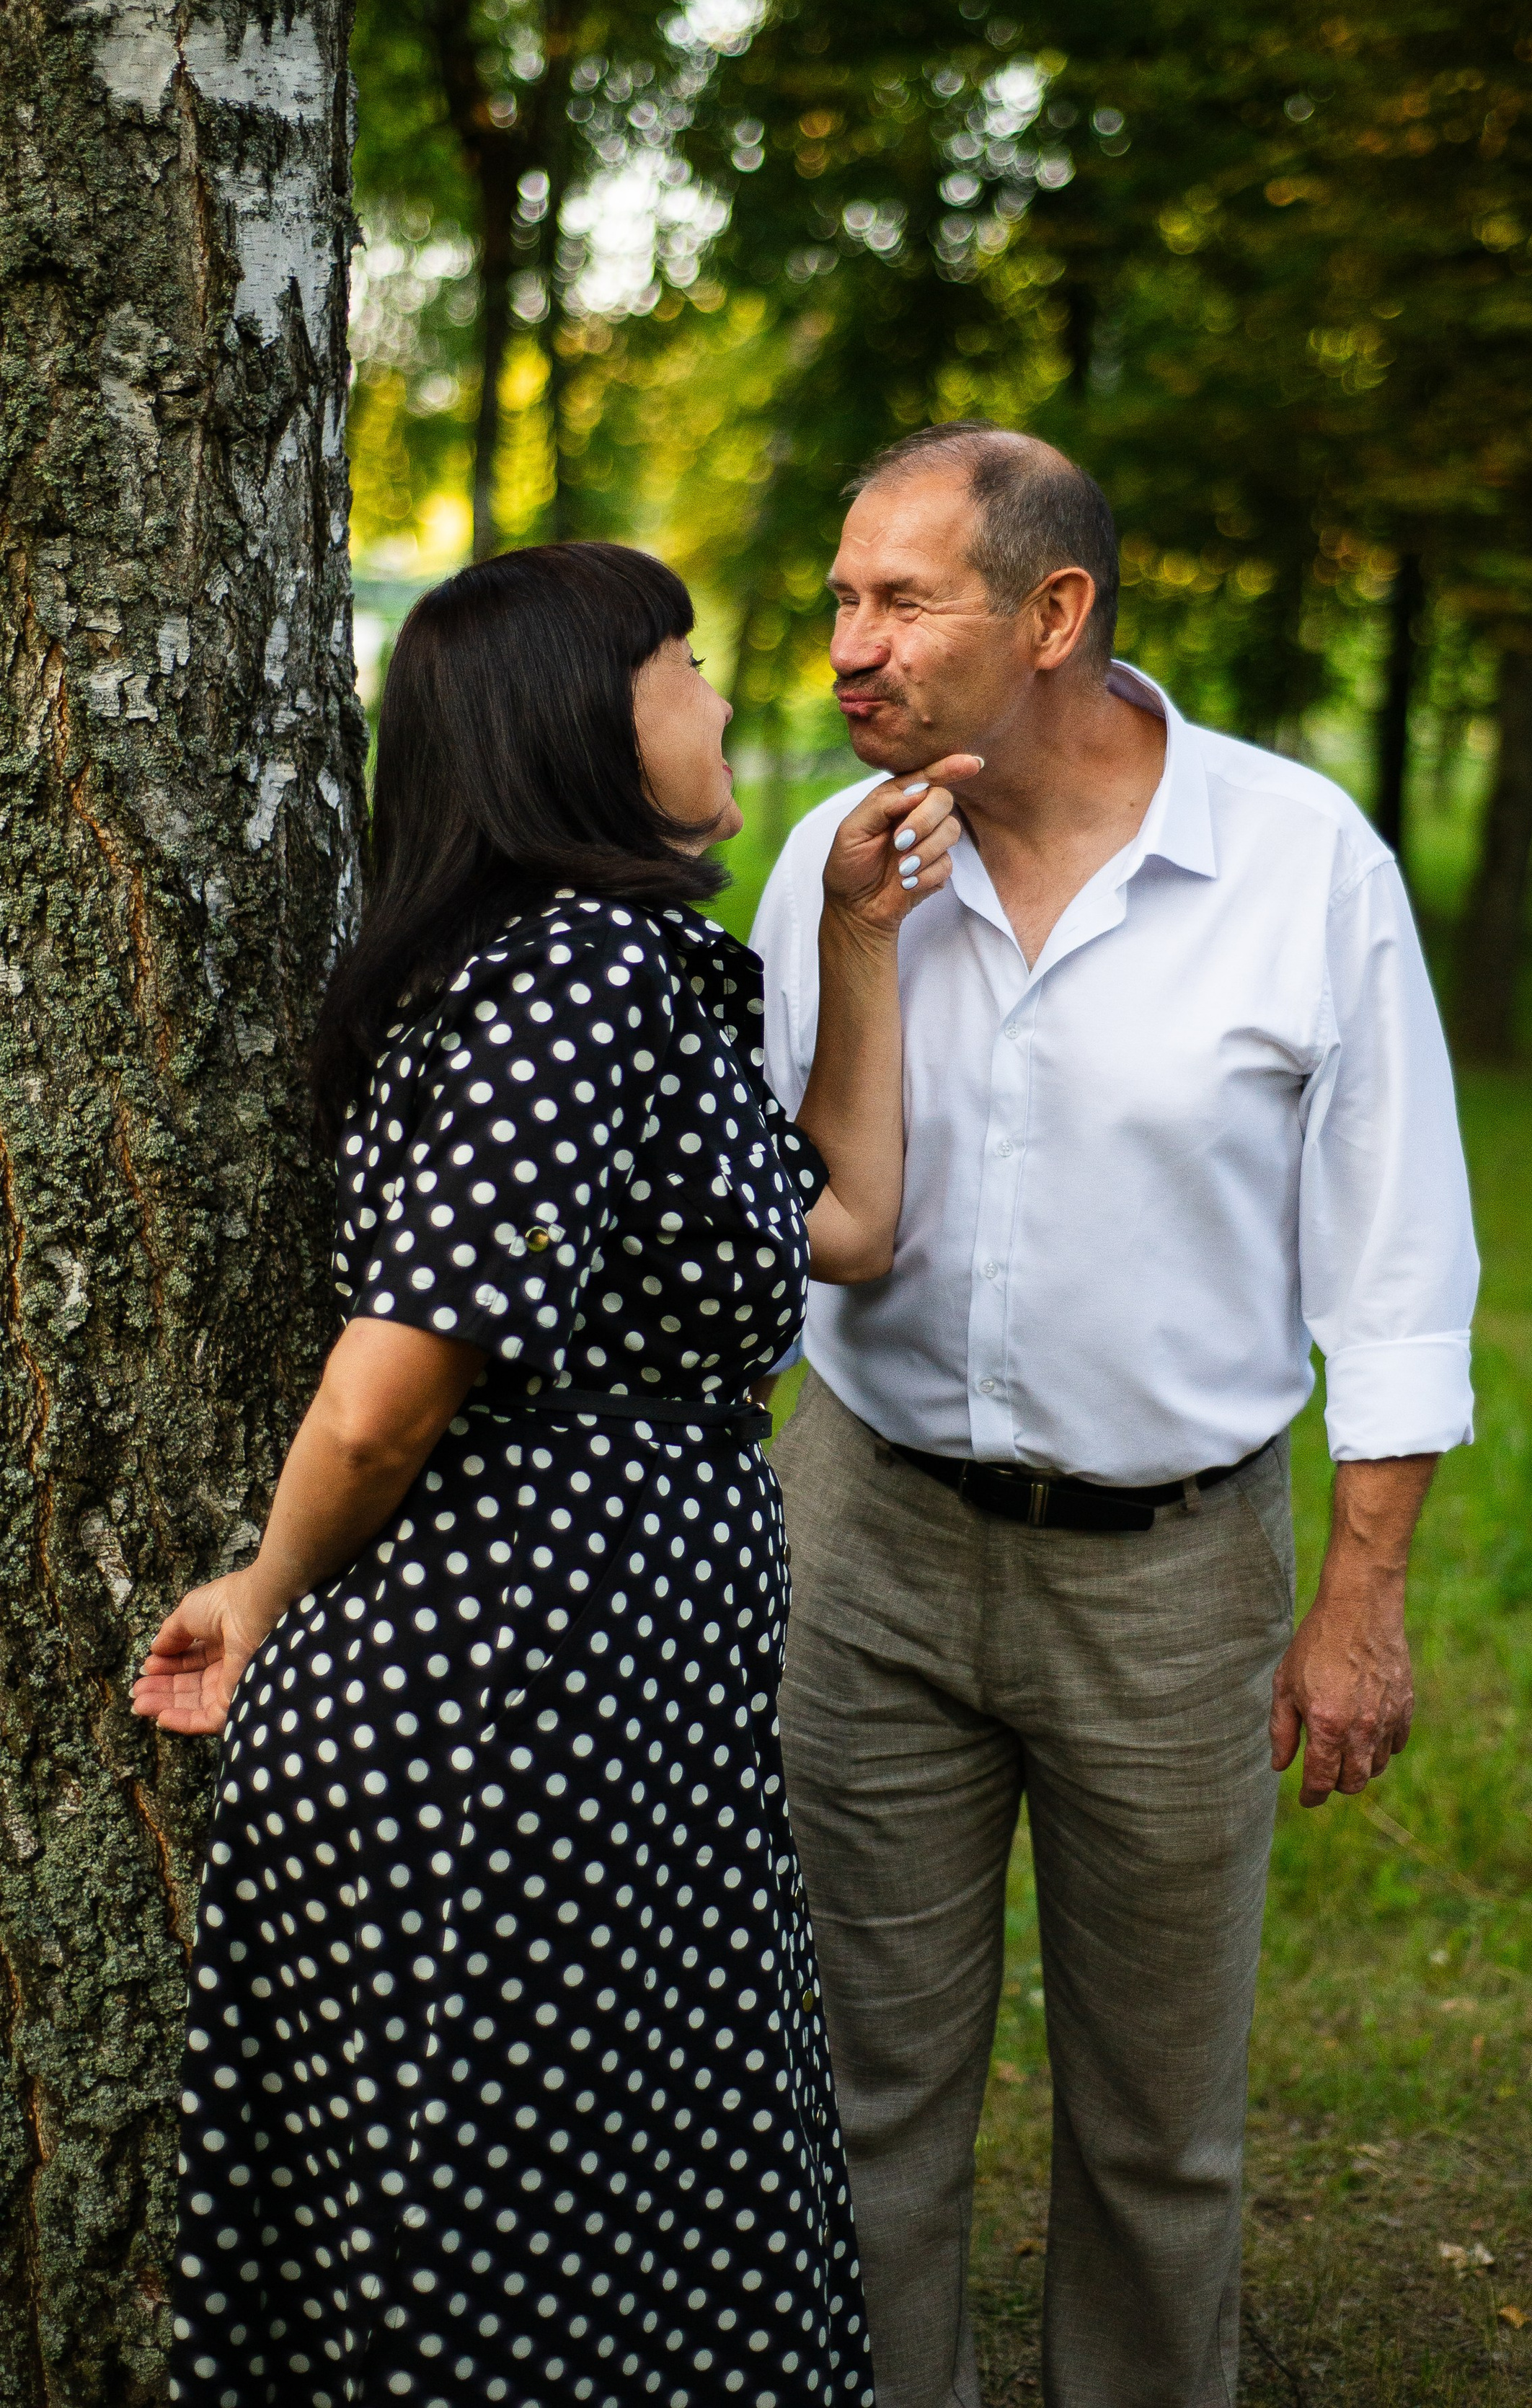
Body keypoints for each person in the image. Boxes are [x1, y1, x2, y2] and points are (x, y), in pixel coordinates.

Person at [133, 541, 973, 2408]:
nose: (728, 692)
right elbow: (390, 1389)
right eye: (685, 663)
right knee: (515, 2257)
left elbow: (843, 1219)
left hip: (616, 1719)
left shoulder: (621, 973)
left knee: (614, 2225)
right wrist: (262, 1595)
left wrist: (855, 936)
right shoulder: (573, 974)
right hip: (502, 1725)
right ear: (589, 724)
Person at [750, 427, 1480, 2408]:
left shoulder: (1300, 862)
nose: (852, 649)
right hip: (866, 1534)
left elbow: (1399, 1264)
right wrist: (856, 943)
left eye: (904, 601)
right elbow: (799, 1218)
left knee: (1159, 2123)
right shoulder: (833, 860)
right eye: (841, 600)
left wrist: (1363, 1597)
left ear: (1056, 613)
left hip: (1170, 1577)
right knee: (858, 2086)